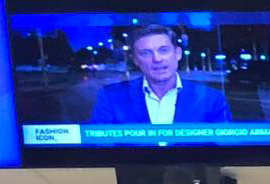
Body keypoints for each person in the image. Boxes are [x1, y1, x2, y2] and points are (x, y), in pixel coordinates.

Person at [91, 25, 232, 124]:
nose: (157, 59)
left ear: (177, 54)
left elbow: (225, 148)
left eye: (163, 50)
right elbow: (99, 146)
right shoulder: (110, 97)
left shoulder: (212, 98)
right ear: (135, 60)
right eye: (146, 53)